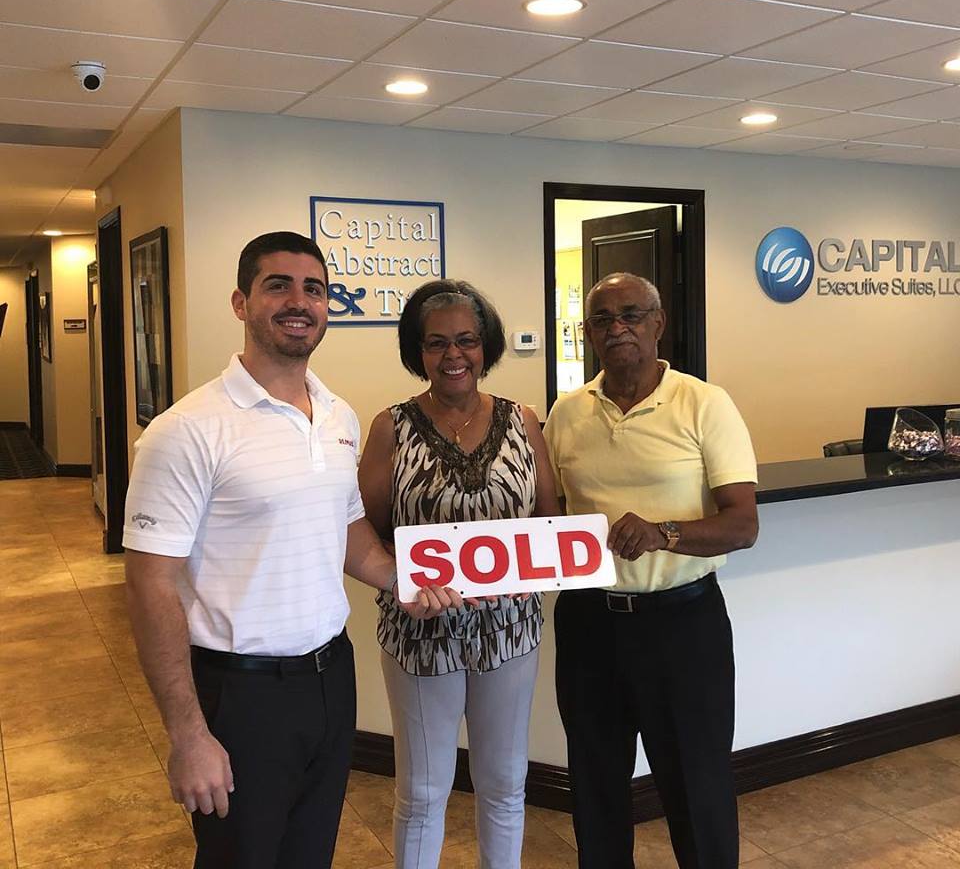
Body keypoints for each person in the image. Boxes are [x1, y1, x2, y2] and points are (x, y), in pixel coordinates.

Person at [123, 232, 459, 869]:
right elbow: (149, 586)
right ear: (241, 302)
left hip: (331, 678)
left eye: (315, 289)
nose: (298, 301)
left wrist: (400, 581)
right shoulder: (187, 430)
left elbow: (348, 528)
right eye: (278, 285)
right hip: (241, 694)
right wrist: (189, 732)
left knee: (309, 854)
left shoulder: (337, 415)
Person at [543, 272, 759, 869]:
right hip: (590, 624)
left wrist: (664, 533)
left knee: (698, 786)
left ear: (658, 323)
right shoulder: (566, 413)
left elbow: (742, 524)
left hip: (683, 625)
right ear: (588, 334)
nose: (618, 329)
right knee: (595, 786)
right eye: (603, 320)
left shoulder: (704, 402)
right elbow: (552, 517)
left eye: (632, 315)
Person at [358, 279, 560, 869]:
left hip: (511, 632)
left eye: (467, 341)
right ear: (417, 351)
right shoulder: (389, 427)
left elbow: (549, 519)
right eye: (437, 342)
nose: (453, 355)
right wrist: (402, 582)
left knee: (504, 784)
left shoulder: (524, 421)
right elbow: (362, 529)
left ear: (485, 345)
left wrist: (541, 565)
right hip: (420, 635)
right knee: (422, 792)